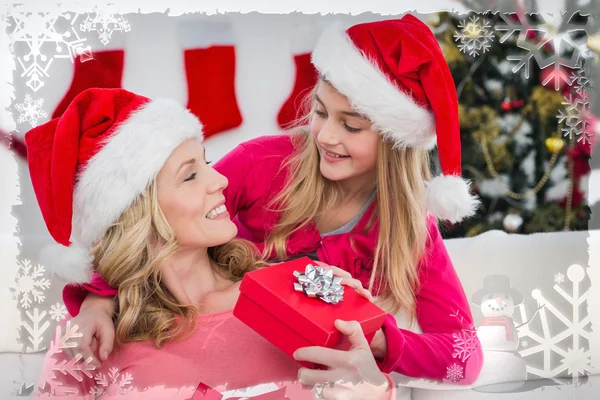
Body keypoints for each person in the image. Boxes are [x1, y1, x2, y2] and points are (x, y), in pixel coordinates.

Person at [55, 14, 484, 395]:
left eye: (350, 126)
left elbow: (464, 355)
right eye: (320, 113)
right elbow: (158, 212)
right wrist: (97, 301)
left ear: (395, 141)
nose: (326, 137)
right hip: (207, 342)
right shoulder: (264, 162)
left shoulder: (410, 229)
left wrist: (377, 340)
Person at [29, 88, 390, 399]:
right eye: (190, 175)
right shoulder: (89, 336)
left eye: (208, 162)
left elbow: (365, 381)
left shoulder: (292, 292)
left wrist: (376, 387)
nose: (219, 180)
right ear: (135, 214)